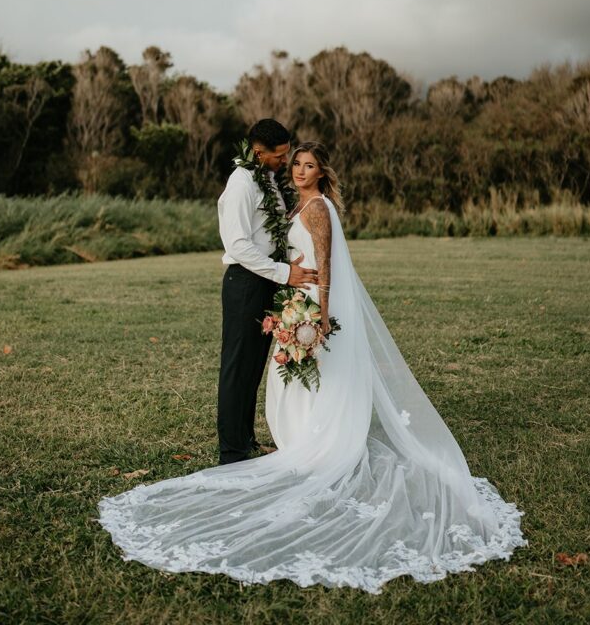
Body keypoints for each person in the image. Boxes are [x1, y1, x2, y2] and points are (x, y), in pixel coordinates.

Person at [98, 140, 528, 594]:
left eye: (308, 165)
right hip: (292, 302)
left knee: (312, 380)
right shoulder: (292, 201)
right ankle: (297, 441)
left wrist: (321, 315)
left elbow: (326, 263)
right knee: (293, 381)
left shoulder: (318, 207)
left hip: (311, 307)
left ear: (322, 173)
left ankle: (315, 446)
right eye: (296, 163)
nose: (300, 171)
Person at [214, 118, 318, 464]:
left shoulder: (269, 180)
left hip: (267, 282)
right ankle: (231, 451)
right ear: (258, 153)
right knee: (236, 366)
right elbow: (239, 244)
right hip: (244, 282)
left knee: (254, 365)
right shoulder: (241, 184)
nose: (284, 162)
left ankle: (246, 439)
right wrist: (284, 272)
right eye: (278, 156)